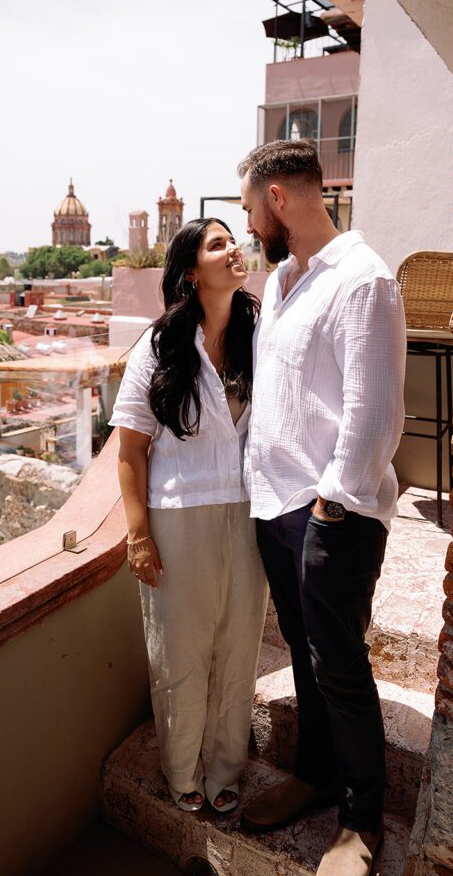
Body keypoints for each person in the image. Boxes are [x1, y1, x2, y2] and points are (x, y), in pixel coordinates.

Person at [237, 140, 406, 876]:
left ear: (277, 198)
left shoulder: (363, 280)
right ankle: (312, 776)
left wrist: (333, 511)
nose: (246, 223)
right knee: (308, 664)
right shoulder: (280, 281)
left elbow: (374, 414)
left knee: (337, 665)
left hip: (329, 511)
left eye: (248, 206)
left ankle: (361, 822)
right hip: (273, 502)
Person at [111, 217, 268, 815]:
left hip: (250, 512)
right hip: (178, 518)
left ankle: (226, 766)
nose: (235, 250)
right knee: (180, 653)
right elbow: (129, 450)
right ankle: (182, 772)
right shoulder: (159, 348)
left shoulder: (260, 335)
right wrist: (138, 536)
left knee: (237, 649)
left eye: (235, 240)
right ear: (190, 270)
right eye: (218, 244)